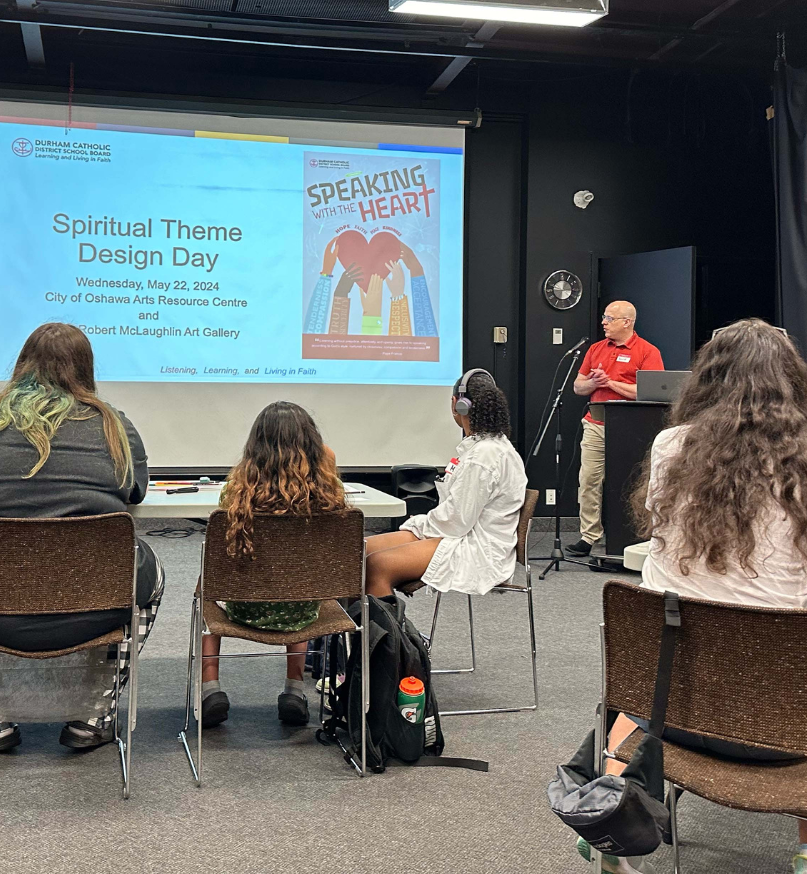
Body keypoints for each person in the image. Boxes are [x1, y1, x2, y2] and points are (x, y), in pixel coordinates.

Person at [594, 319, 807, 874]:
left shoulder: (672, 448)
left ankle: (611, 819)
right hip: (791, 732)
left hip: (673, 718)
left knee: (651, 657)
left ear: (706, 380)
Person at [0, 322, 164, 753]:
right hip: (95, 607)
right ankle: (94, 715)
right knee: (149, 566)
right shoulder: (113, 425)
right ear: (86, 369)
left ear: (21, 364)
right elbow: (135, 491)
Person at [200, 401, 347, 729]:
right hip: (301, 611)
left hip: (243, 608)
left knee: (206, 582)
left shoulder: (236, 489)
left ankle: (211, 687)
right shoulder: (325, 490)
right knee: (301, 579)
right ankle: (294, 689)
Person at [364, 369, 527, 599]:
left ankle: (387, 635)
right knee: (358, 552)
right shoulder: (486, 448)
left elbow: (456, 522)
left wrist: (419, 524)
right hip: (459, 534)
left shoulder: (484, 457)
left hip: (474, 549)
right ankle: (350, 633)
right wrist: (421, 526)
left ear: (457, 405)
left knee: (377, 565)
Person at [566, 301, 664, 558]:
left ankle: (634, 535)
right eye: (604, 317)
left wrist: (610, 383)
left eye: (610, 318)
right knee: (588, 481)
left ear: (627, 322)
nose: (604, 322)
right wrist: (593, 382)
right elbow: (578, 387)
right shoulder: (596, 349)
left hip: (632, 429)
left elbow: (649, 392)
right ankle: (589, 536)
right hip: (596, 425)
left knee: (631, 483)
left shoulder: (647, 351)